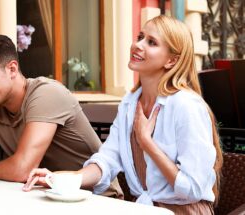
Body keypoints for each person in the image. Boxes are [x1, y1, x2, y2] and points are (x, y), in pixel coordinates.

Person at [23, 15, 223, 214]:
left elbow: (193, 189)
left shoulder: (186, 106)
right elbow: (108, 159)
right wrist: (63, 180)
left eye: (151, 42)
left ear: (172, 61)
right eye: (140, 36)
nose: (138, 45)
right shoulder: (130, 103)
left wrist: (147, 143)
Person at [0, 34, 122, 198]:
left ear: (12, 69)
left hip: (95, 198)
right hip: (40, 196)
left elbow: (22, 170)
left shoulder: (46, 94)